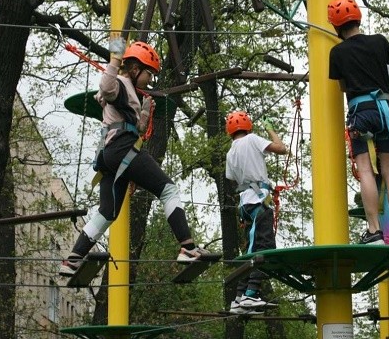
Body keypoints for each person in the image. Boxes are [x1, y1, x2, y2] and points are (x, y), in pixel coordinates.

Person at [59, 38, 214, 277]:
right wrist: (115, 58)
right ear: (134, 69)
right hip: (122, 149)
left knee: (107, 212)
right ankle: (188, 247)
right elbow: (108, 86)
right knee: (168, 190)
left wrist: (142, 118)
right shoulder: (121, 82)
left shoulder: (129, 90)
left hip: (111, 154)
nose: (150, 80)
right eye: (148, 74)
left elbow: (130, 124)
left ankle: (73, 260)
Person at [327, 0, 389, 246]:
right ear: (358, 17)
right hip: (386, 110)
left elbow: (342, 87)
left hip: (361, 112)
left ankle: (373, 231)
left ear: (335, 26)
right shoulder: (379, 42)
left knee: (366, 172)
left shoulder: (337, 52)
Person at [225, 111, 287, 314]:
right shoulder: (252, 139)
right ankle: (250, 294)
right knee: (263, 248)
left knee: (251, 248)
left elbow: (233, 178)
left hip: (246, 204)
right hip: (259, 201)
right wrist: (270, 129)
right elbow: (281, 149)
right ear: (248, 126)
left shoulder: (231, 152)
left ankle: (239, 297)